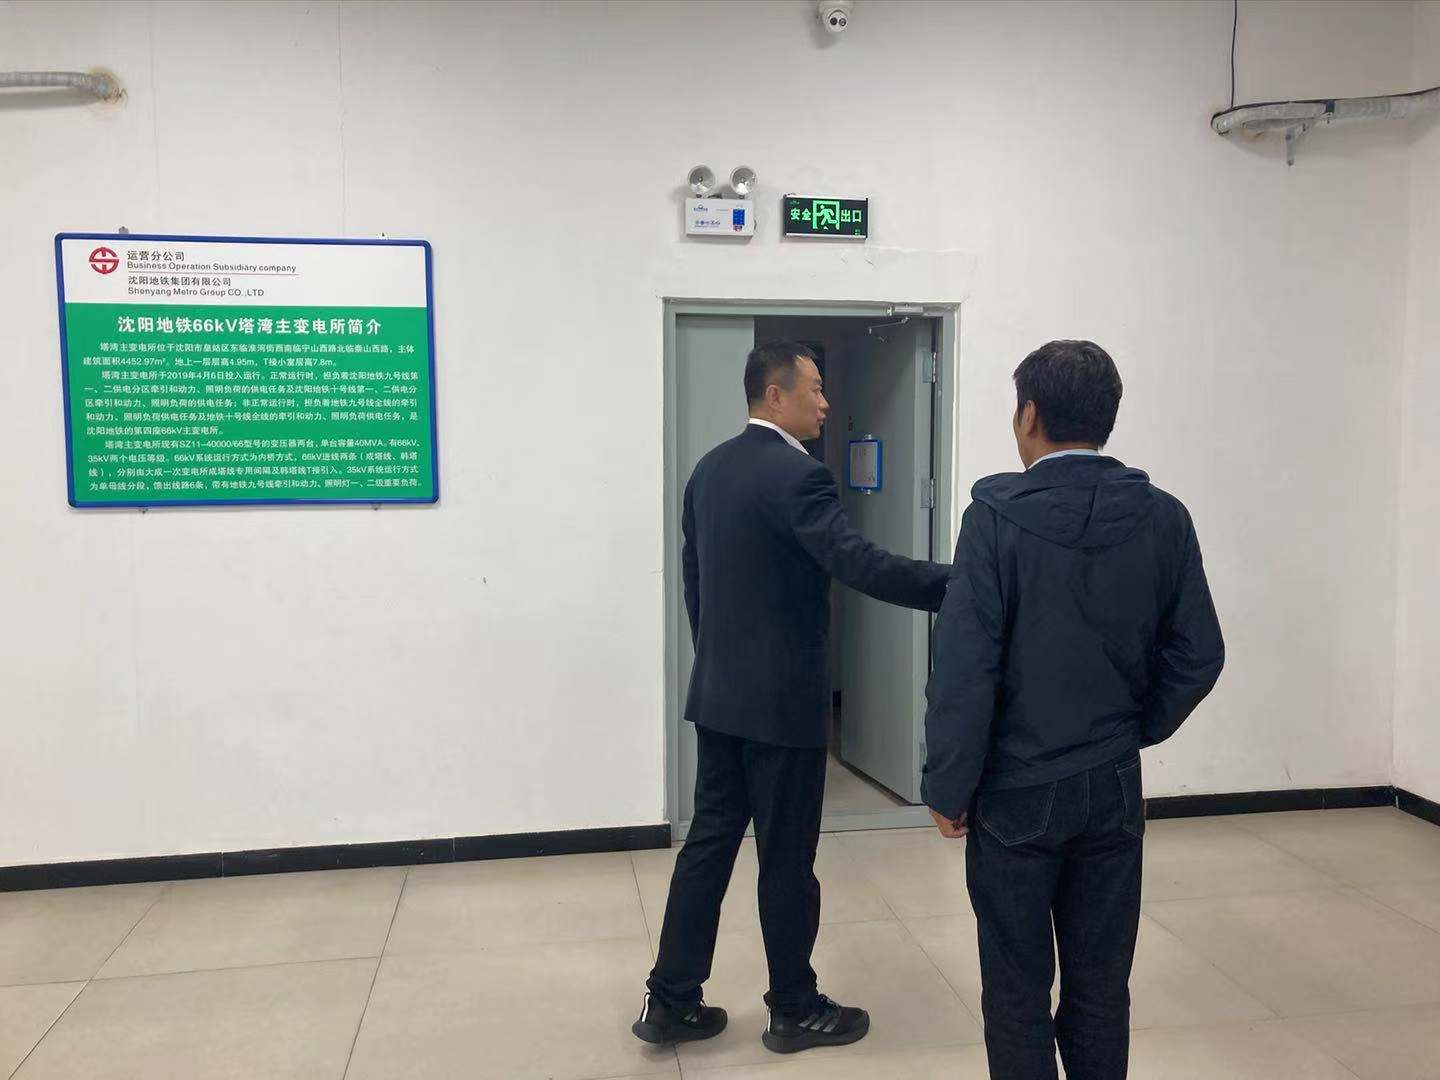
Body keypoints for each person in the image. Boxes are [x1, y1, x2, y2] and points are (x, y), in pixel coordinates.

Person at [633, 340, 950, 1055]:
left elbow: (695, 582)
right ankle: (794, 1008)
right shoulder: (800, 475)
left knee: (708, 846)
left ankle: (672, 999)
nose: (826, 403)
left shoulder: (709, 470)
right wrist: (957, 583)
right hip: (782, 708)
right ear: (775, 396)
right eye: (815, 388)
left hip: (719, 697)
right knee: (785, 858)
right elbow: (857, 562)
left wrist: (720, 663)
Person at [922, 339, 1225, 1080]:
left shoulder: (994, 519)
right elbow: (1198, 654)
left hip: (1016, 790)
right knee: (1100, 987)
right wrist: (1134, 727)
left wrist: (948, 786)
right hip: (1113, 785)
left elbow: (965, 670)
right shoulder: (1165, 518)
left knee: (1016, 989)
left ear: (1028, 415)